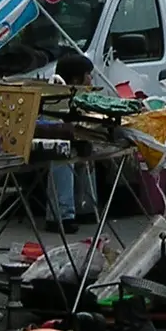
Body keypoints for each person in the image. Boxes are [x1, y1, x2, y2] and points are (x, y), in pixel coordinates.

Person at [48, 50, 101, 232]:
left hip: (72, 140)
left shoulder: (83, 98)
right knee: (63, 156)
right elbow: (54, 128)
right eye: (88, 75)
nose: (91, 80)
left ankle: (86, 208)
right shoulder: (54, 97)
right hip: (50, 145)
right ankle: (61, 216)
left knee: (87, 153)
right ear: (76, 79)